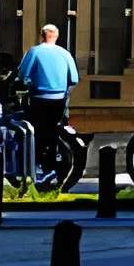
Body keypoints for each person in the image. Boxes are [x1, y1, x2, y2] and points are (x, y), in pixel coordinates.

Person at [17, 22, 80, 178]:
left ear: (41, 35)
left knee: (36, 131)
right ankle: (50, 166)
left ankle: (36, 164)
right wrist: (65, 94)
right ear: (57, 37)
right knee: (53, 131)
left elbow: (22, 75)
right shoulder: (65, 54)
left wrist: (29, 85)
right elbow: (74, 79)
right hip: (59, 100)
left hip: (38, 99)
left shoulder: (34, 52)